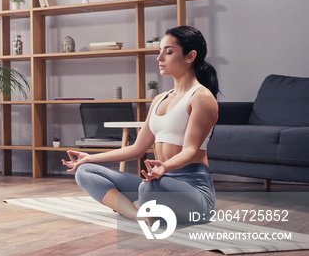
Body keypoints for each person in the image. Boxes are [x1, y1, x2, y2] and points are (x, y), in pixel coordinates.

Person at [62, 26, 219, 224]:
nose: (159, 58)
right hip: (159, 180)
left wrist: (165, 166)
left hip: (193, 190)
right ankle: (137, 214)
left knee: (148, 187)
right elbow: (137, 149)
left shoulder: (201, 97)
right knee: (85, 171)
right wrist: (91, 158)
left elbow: (189, 150)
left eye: (168, 52)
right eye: (159, 51)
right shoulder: (159, 99)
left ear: (190, 56)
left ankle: (144, 206)